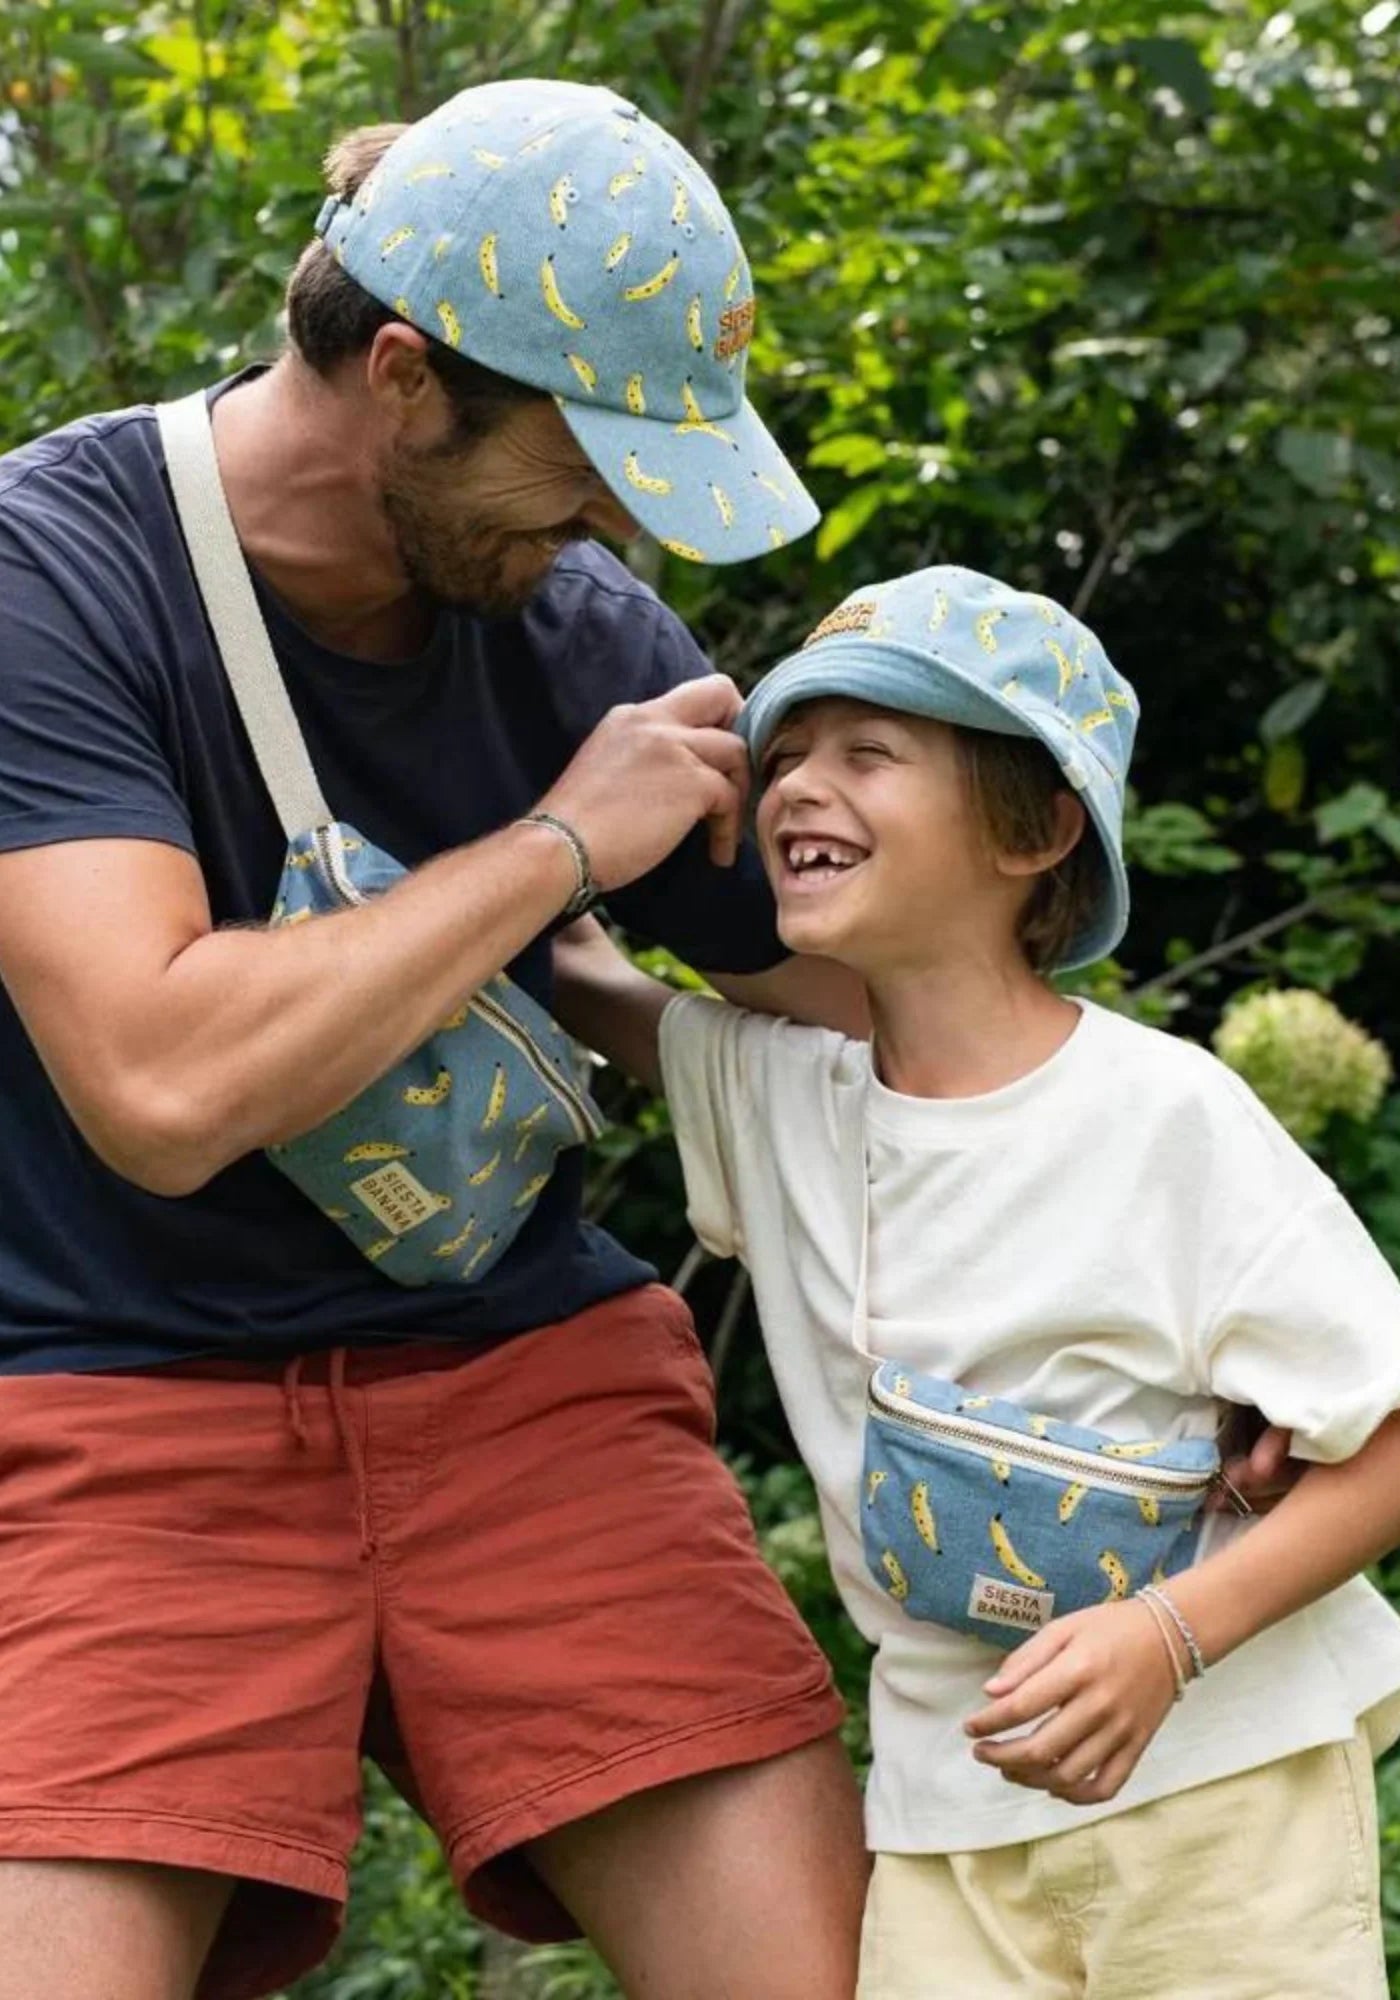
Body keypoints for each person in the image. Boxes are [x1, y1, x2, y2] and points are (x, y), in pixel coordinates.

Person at [0, 79, 873, 2000]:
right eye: (587, 460)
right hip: (116, 1407)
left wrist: (1164, 1282)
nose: (624, 523)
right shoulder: (49, 575)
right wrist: (563, 846)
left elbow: (899, 1022)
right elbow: (156, 1087)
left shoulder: (572, 624)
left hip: (522, 1382)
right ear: (402, 373)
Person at [551, 564, 1400, 1998]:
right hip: (943, 1830)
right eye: (789, 757)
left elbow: (1382, 1435)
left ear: (1038, 827)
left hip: (1219, 1796)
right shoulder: (779, 1101)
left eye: (869, 754)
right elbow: (572, 971)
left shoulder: (1163, 1117)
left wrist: (1169, 1635)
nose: (801, 788)